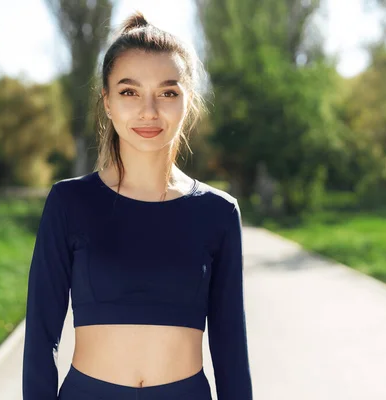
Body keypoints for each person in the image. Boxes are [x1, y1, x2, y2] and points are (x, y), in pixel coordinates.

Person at [22, 11, 252, 400]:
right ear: (107, 102)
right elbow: (40, 340)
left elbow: (231, 351)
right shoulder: (69, 203)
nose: (149, 110)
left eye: (167, 92)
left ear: (187, 102)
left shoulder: (218, 213)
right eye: (129, 92)